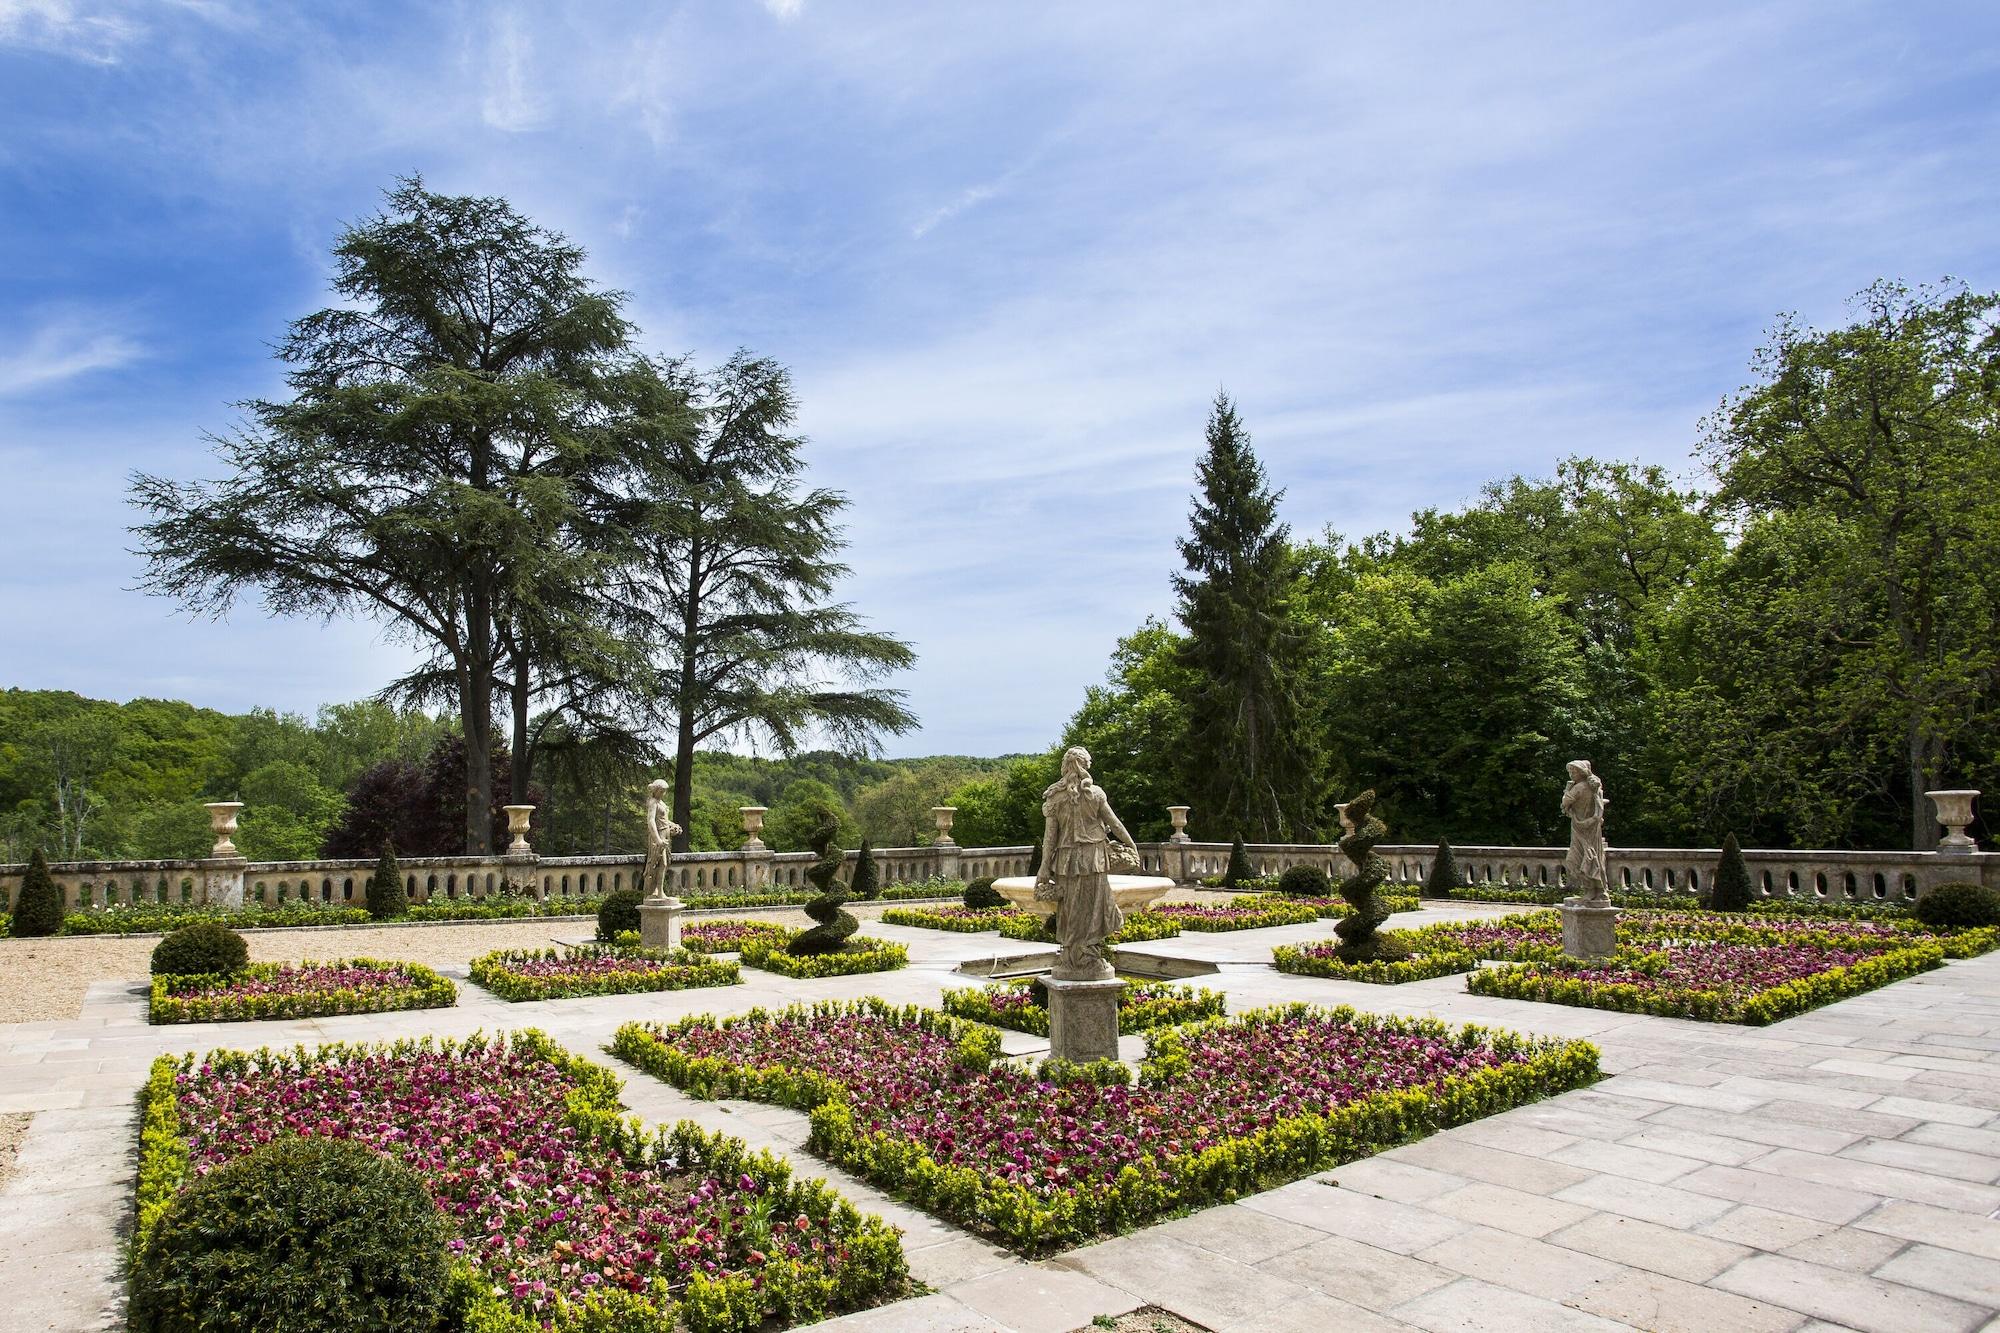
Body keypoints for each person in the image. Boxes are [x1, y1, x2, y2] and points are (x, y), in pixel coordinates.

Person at [1035, 746, 1139, 981]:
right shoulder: (1095, 794)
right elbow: (1115, 823)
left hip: (1067, 861)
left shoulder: (1054, 796)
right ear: (1085, 767)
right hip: (1093, 858)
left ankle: (1072, 957)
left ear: (1065, 767)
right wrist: (1132, 844)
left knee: (1070, 909)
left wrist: (1043, 866)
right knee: (1094, 907)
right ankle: (1088, 956)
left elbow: (1049, 838)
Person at [1562, 760, 1609, 905]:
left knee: (1576, 859)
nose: (1571, 775)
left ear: (1581, 773)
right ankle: (1599, 890)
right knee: (1592, 856)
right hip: (1591, 828)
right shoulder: (1594, 788)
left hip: (1581, 828)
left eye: (1573, 772)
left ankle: (1591, 890)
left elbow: (1564, 804)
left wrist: (1567, 789)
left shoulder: (1578, 788)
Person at [641, 778, 682, 900]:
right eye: (662, 791)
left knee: (663, 864)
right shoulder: (653, 802)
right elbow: (651, 821)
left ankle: (658, 891)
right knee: (658, 864)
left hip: (665, 834)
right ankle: (656, 892)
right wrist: (658, 840)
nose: (663, 793)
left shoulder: (660, 802)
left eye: (664, 791)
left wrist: (673, 826)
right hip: (658, 836)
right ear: (657, 790)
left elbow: (663, 820)